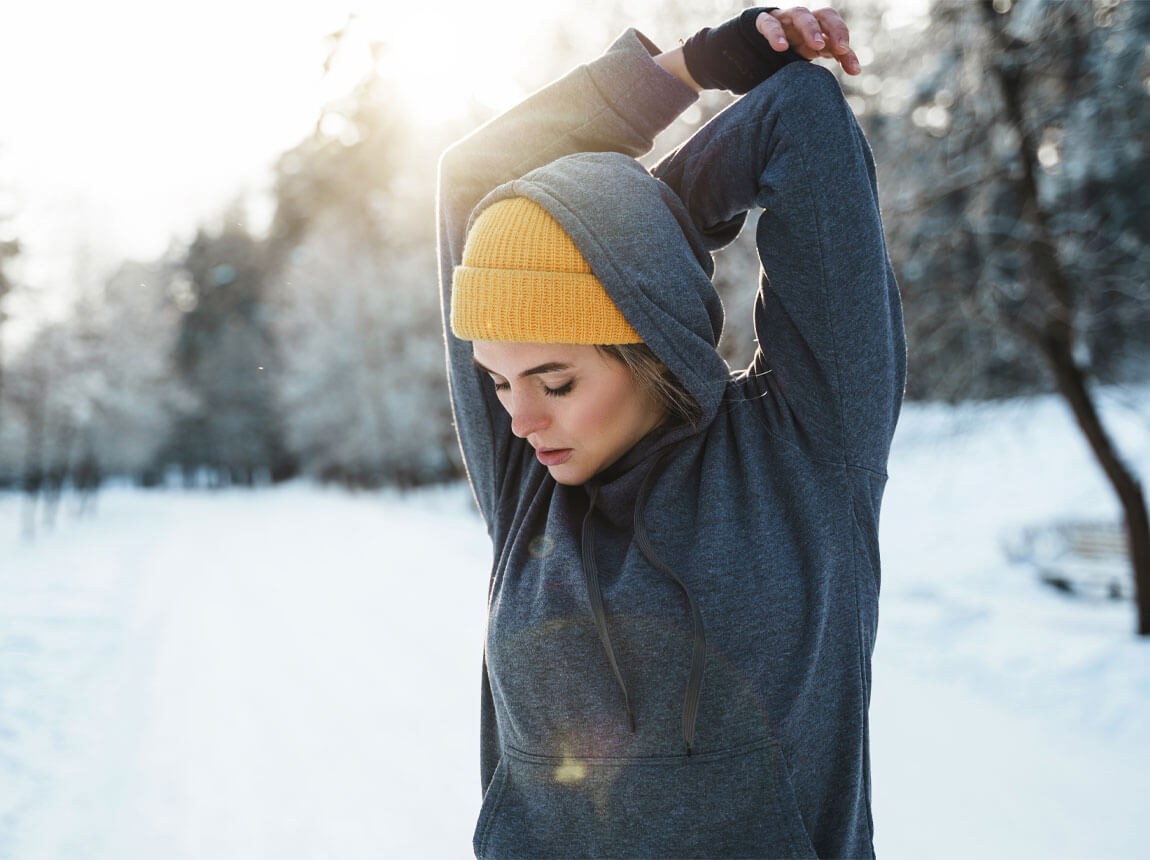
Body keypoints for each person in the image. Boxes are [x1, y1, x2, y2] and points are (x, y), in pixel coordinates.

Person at [436, 6, 905, 858]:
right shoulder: (532, 492)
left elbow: (802, 117)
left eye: (556, 380)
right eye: (496, 381)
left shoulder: (807, 451)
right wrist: (681, 68)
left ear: (650, 342)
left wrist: (647, 227)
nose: (518, 418)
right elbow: (474, 179)